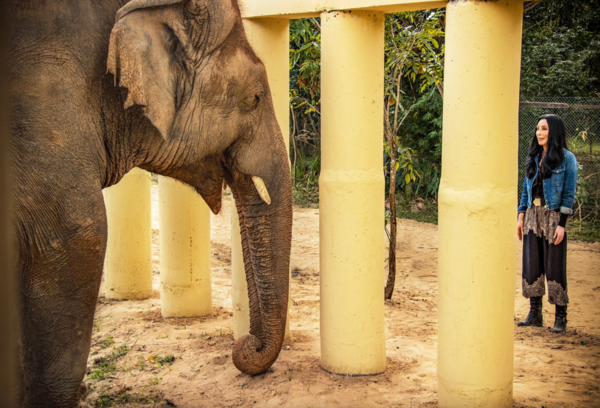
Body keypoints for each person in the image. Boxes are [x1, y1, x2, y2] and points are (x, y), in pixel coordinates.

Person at [517, 114, 577, 333]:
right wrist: (521, 213)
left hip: (553, 216)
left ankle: (560, 316)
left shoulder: (567, 158)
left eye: (543, 129)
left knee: (555, 265)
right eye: (537, 129)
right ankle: (535, 313)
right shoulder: (533, 157)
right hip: (533, 214)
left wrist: (562, 223)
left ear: (554, 131)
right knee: (532, 264)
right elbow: (526, 187)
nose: (539, 133)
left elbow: (569, 193)